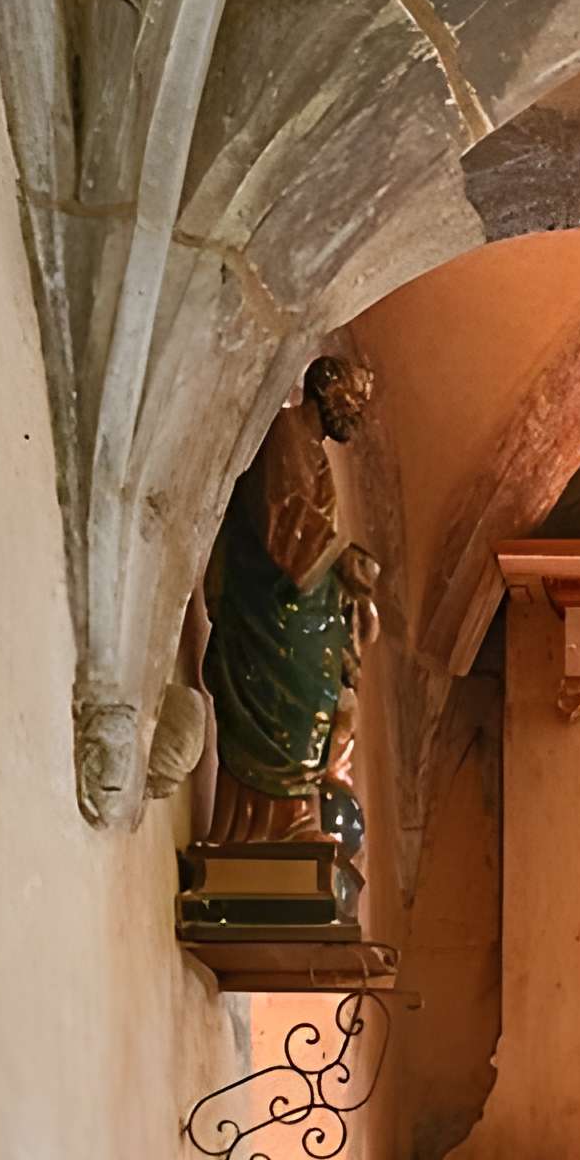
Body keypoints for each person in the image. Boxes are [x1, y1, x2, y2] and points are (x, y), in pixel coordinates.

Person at [200, 355, 378, 843]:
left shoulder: (314, 453)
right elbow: (282, 520)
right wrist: (342, 559)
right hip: (266, 610)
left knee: (320, 702)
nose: (357, 414)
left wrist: (350, 592)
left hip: (298, 613)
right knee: (294, 705)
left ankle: (289, 822)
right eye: (353, 401)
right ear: (327, 390)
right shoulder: (281, 434)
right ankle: (268, 832)